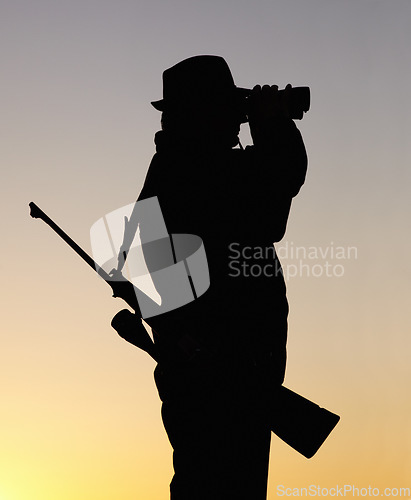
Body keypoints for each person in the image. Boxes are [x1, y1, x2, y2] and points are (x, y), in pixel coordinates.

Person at [113, 55, 307, 500]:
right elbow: (276, 192)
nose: (235, 120)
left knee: (204, 479)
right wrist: (272, 124)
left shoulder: (176, 167)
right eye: (226, 107)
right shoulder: (197, 169)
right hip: (225, 370)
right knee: (225, 480)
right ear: (202, 113)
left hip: (208, 369)